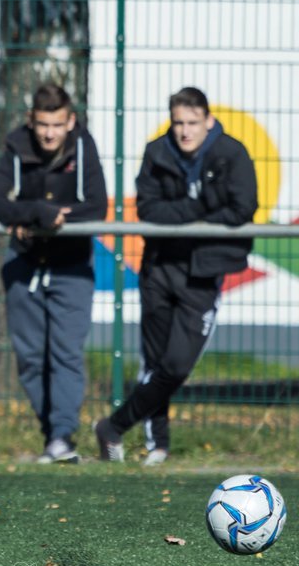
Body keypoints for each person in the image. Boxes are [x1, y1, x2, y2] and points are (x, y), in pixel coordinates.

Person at [94, 86, 257, 463]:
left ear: (208, 121)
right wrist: (201, 210)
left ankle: (113, 426)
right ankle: (158, 446)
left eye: (192, 123)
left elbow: (243, 207)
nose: (185, 131)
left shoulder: (231, 153)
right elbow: (150, 210)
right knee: (154, 362)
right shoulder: (157, 152)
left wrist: (185, 214)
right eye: (178, 122)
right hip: (159, 267)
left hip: (204, 272)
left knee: (177, 365)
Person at [0, 83, 107, 464]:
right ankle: (52, 435)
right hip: (24, 265)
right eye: (42, 125)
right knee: (31, 358)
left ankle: (62, 436)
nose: (50, 133)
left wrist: (24, 213)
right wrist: (37, 213)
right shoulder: (16, 146)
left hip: (72, 267)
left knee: (66, 353)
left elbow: (96, 207)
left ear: (70, 121)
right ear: (30, 122)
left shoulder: (84, 147)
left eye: (57, 124)